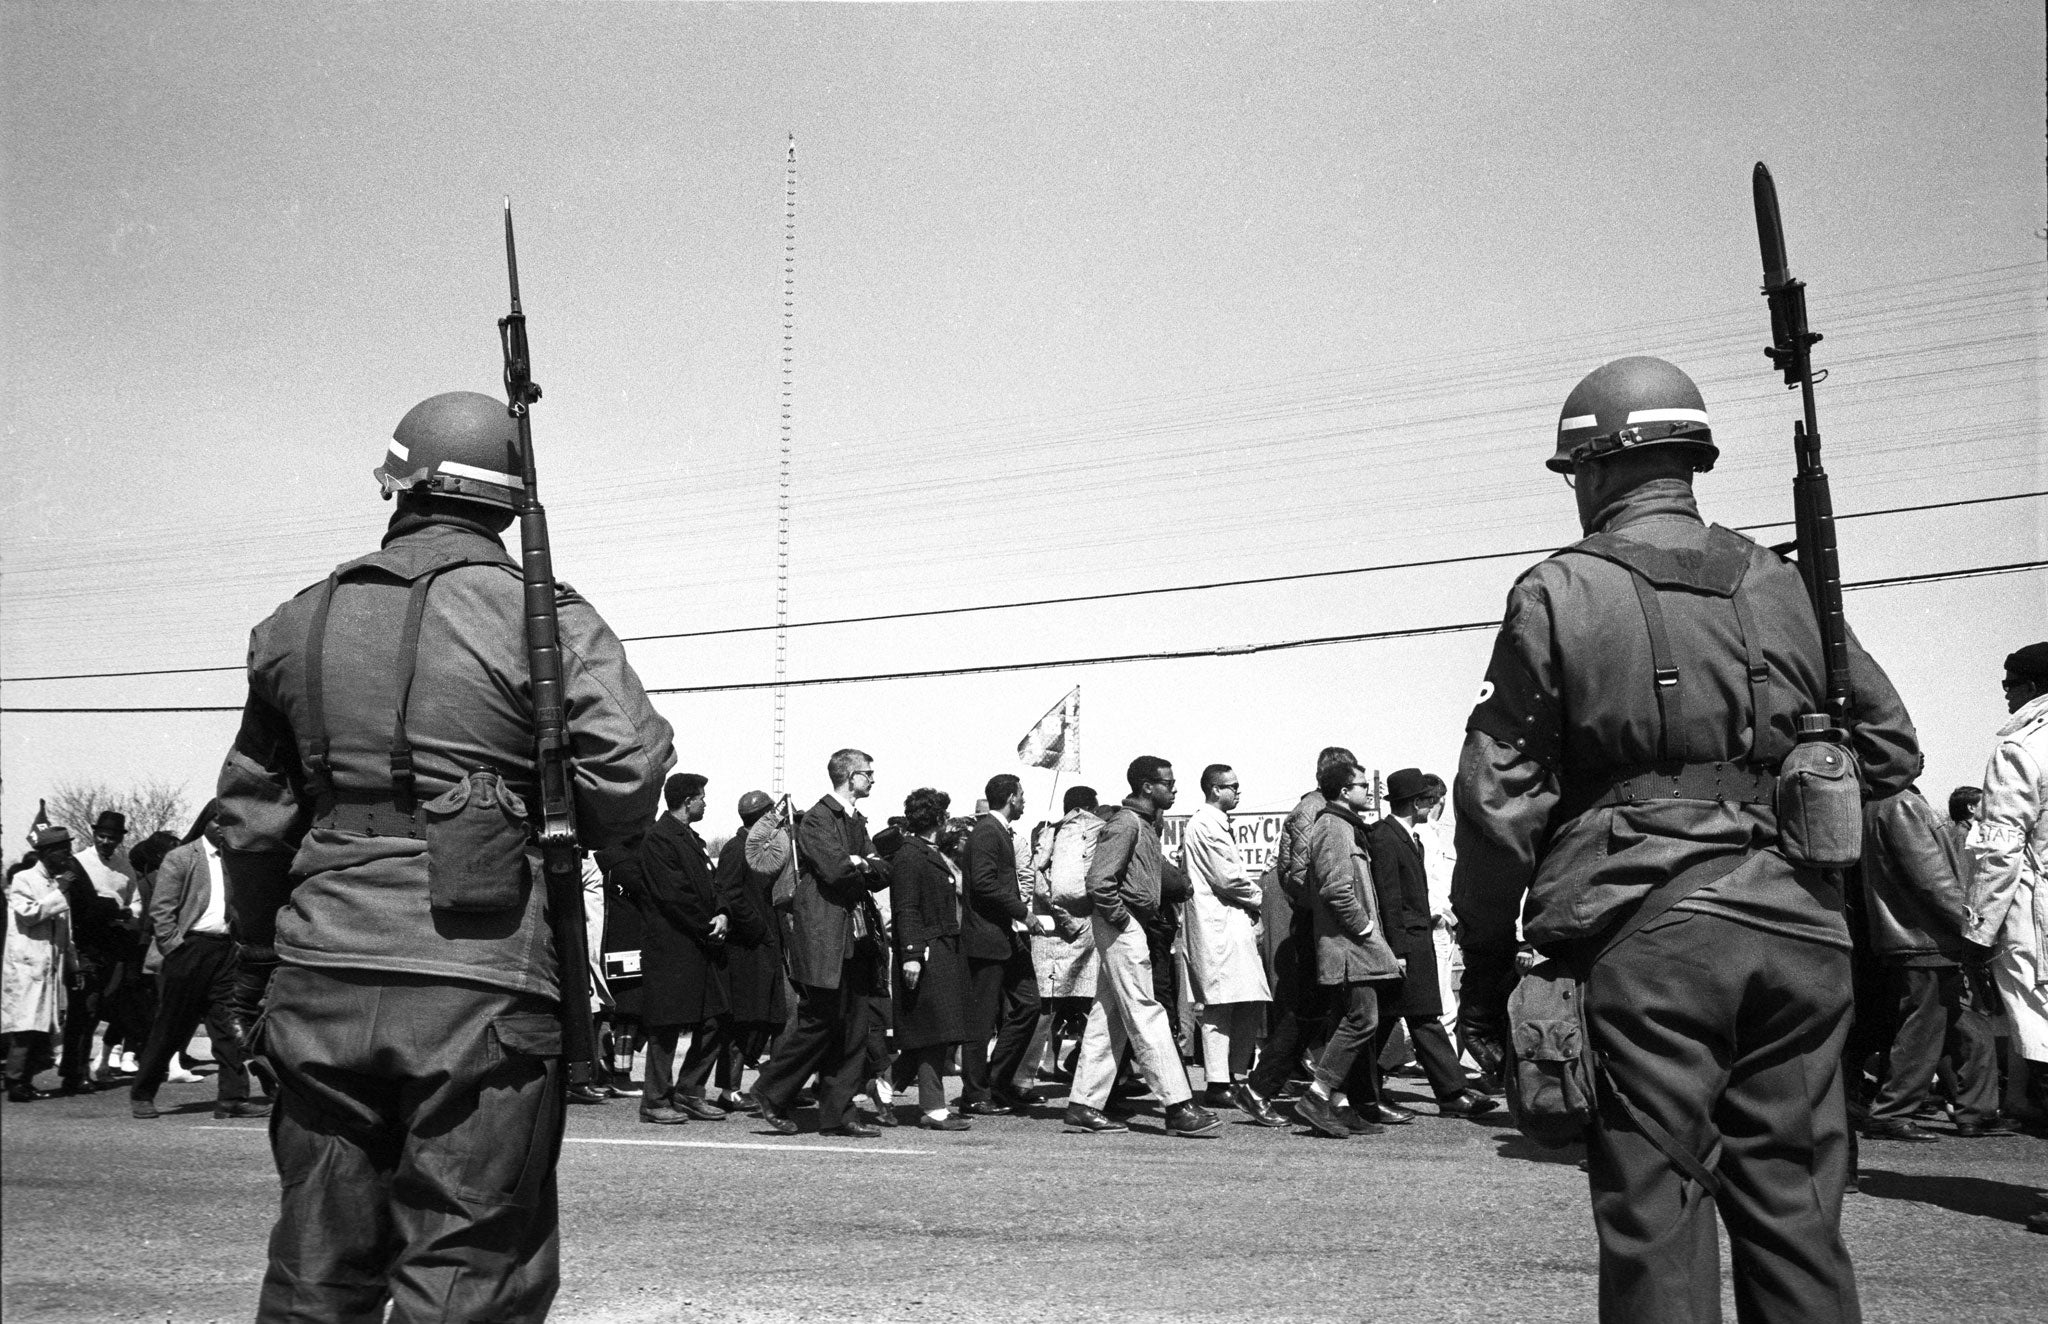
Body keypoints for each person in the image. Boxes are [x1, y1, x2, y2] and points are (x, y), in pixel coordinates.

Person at [1451, 356, 1920, 1321]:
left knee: (1658, 1215)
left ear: (1598, 468)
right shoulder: (1783, 584)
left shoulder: (1559, 589)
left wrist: (1492, 955)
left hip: (1648, 938)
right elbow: (1889, 746)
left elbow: (1500, 801)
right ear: (1688, 459)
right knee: (1795, 1210)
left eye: (1575, 472)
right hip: (1801, 932)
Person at [213, 389, 674, 1322]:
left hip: (321, 966)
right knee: (468, 1268)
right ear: (511, 502)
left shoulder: (299, 621)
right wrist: (546, 816)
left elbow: (253, 820)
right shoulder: (542, 618)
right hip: (483, 975)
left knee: (315, 1264)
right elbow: (627, 768)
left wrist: (260, 958)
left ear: (398, 483)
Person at [1063, 756, 1221, 1138]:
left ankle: (1084, 1104)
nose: (1175, 788)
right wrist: (1122, 919)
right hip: (1123, 923)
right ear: (1147, 787)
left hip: (1129, 922)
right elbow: (1100, 880)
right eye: (1168, 782)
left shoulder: (1146, 824)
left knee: (1109, 1016)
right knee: (1146, 1013)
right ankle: (1178, 1106)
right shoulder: (1125, 823)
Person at [750, 749, 892, 1138]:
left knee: (853, 1028)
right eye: (868, 773)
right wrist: (861, 863)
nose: (873, 780)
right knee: (821, 1022)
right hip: (825, 937)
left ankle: (839, 1114)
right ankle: (770, 1091)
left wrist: (862, 863)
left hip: (857, 940)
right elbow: (835, 870)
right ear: (849, 776)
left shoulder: (854, 820)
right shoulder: (816, 819)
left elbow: (881, 871)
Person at [1857, 786, 2002, 1139]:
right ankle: (1892, 1112)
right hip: (1925, 938)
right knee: (1924, 1030)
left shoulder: (1885, 803)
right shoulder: (1901, 804)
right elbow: (1932, 880)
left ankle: (1975, 1111)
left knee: (1964, 1027)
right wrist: (1973, 928)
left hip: (1921, 938)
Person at [1364, 769, 1494, 1120]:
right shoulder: (1386, 837)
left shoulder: (1408, 837)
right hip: (1407, 943)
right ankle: (1451, 1093)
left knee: (1401, 1020)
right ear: (1417, 802)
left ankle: (1363, 1090)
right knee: (1421, 1018)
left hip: (1415, 940)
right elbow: (1390, 899)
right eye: (1427, 799)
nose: (1432, 805)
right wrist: (1399, 951)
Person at [127, 803, 265, 1120]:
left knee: (227, 1026)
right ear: (204, 822)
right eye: (217, 821)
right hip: (188, 950)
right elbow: (161, 912)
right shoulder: (181, 858)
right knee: (170, 1026)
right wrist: (174, 948)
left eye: (229, 822)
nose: (222, 828)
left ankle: (232, 1099)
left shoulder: (235, 859)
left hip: (224, 951)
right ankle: (142, 1094)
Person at [1292, 753, 1403, 1139]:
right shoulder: (1334, 828)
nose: (1368, 791)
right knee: (1363, 1019)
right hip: (1349, 947)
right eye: (1361, 785)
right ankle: (1317, 1095)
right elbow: (1336, 889)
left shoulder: (1345, 825)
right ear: (1343, 790)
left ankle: (1338, 1104)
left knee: (1350, 1021)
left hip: (1352, 946)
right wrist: (1365, 926)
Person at [1965, 641, 2048, 1135]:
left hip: (2039, 921)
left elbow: (1999, 851)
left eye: (2008, 685)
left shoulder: (2021, 749)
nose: (2005, 695)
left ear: (2033, 687)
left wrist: (1978, 931)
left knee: (2042, 1039)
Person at [1246, 752, 1351, 1104]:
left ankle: (1339, 1093)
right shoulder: (1313, 812)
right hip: (1319, 923)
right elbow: (1301, 874)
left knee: (1319, 1011)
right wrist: (1323, 909)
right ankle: (1267, 1086)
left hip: (1322, 920)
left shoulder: (1322, 810)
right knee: (1312, 1012)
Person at [1181, 764, 1281, 1125]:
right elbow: (1228, 877)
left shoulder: (1214, 822)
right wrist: (1261, 896)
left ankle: (1235, 1075)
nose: (1238, 792)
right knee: (1221, 1003)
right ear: (1213, 789)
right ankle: (1219, 1080)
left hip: (1229, 921)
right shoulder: (1206, 824)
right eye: (1231, 787)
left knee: (1247, 999)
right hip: (1218, 923)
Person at [635, 773, 732, 1124]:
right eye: (701, 797)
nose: (705, 803)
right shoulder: (659, 840)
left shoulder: (693, 839)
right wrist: (708, 925)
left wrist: (722, 912)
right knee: (666, 1025)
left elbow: (711, 884)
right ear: (687, 801)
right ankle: (655, 1100)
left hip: (700, 946)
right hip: (672, 947)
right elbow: (673, 895)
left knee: (716, 1018)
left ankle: (690, 1091)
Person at [888, 788, 974, 1131]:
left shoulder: (925, 852)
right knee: (934, 1033)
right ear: (937, 818)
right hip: (925, 951)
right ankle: (933, 1109)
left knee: (933, 1031)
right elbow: (906, 908)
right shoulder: (911, 855)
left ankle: (882, 1085)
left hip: (940, 949)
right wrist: (911, 955)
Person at [960, 773, 1042, 1115]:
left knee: (1029, 1004)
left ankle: (997, 1079)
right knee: (980, 1022)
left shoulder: (999, 833)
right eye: (1022, 796)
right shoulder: (987, 833)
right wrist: (1024, 913)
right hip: (986, 940)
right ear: (1010, 797)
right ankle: (975, 1093)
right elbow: (984, 884)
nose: (1025, 802)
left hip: (1005, 938)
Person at [713, 790, 788, 1110]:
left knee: (770, 1018)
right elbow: (729, 894)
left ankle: (768, 1085)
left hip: (764, 945)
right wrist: (758, 929)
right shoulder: (735, 849)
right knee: (743, 1021)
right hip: (747, 948)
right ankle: (730, 1091)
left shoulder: (761, 848)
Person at [1029, 787, 1101, 1083]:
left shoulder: (1050, 833)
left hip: (1055, 935)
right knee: (1057, 1008)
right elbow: (1064, 890)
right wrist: (1075, 924)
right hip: (1068, 936)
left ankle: (1037, 1070)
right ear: (1089, 807)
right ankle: (1025, 1076)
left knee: (1055, 1008)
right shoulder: (1076, 831)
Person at [3, 826, 77, 1102]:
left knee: (39, 1028)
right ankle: (14, 1082)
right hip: (26, 966)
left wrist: (72, 961)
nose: (67, 856)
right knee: (24, 1028)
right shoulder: (23, 879)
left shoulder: (55, 883)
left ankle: (26, 1080)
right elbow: (29, 914)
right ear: (46, 853)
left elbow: (65, 928)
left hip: (48, 966)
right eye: (62, 851)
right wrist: (61, 892)